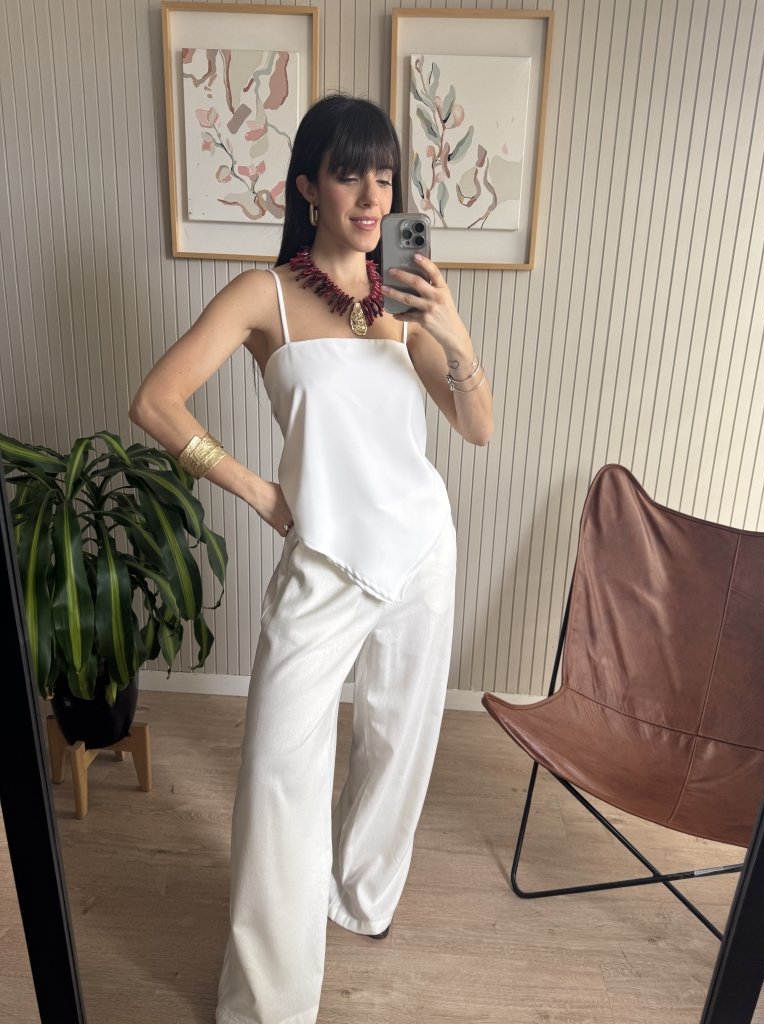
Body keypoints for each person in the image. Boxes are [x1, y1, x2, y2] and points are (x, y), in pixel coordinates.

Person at [129, 94, 493, 1024]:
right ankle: (269, 1001)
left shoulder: (402, 297)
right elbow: (157, 401)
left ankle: (359, 897)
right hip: (326, 558)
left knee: (397, 744)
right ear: (307, 187)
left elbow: (477, 428)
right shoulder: (264, 296)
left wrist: (451, 330)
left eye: (385, 177)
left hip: (421, 548)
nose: (371, 197)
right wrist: (260, 492)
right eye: (349, 174)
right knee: (278, 773)